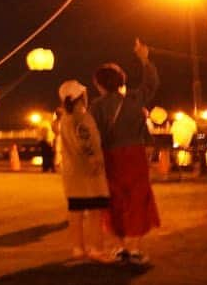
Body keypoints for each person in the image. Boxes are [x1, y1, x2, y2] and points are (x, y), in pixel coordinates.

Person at [89, 39, 161, 264]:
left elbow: (94, 136)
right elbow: (151, 83)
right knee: (138, 199)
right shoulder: (134, 99)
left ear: (100, 85)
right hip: (135, 154)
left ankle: (120, 248)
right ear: (121, 81)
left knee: (115, 200)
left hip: (111, 157)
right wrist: (144, 59)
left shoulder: (97, 106)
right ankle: (136, 249)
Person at [57, 80, 111, 262]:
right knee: (95, 212)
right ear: (81, 97)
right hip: (88, 173)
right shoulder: (82, 117)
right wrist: (94, 160)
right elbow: (86, 140)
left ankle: (78, 248)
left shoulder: (65, 118)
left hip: (72, 174)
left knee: (76, 213)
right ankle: (96, 248)